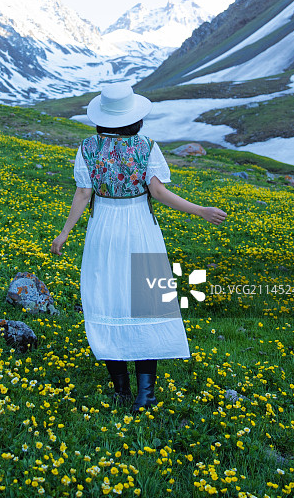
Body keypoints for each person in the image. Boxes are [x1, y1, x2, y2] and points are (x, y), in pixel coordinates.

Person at [50, 81, 227, 412]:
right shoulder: (146, 146)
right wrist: (200, 210)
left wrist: (64, 234)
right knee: (145, 302)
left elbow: (83, 194)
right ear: (135, 118)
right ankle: (146, 395)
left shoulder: (88, 147)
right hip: (140, 229)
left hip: (103, 229)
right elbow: (158, 193)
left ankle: (121, 391)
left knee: (108, 300)